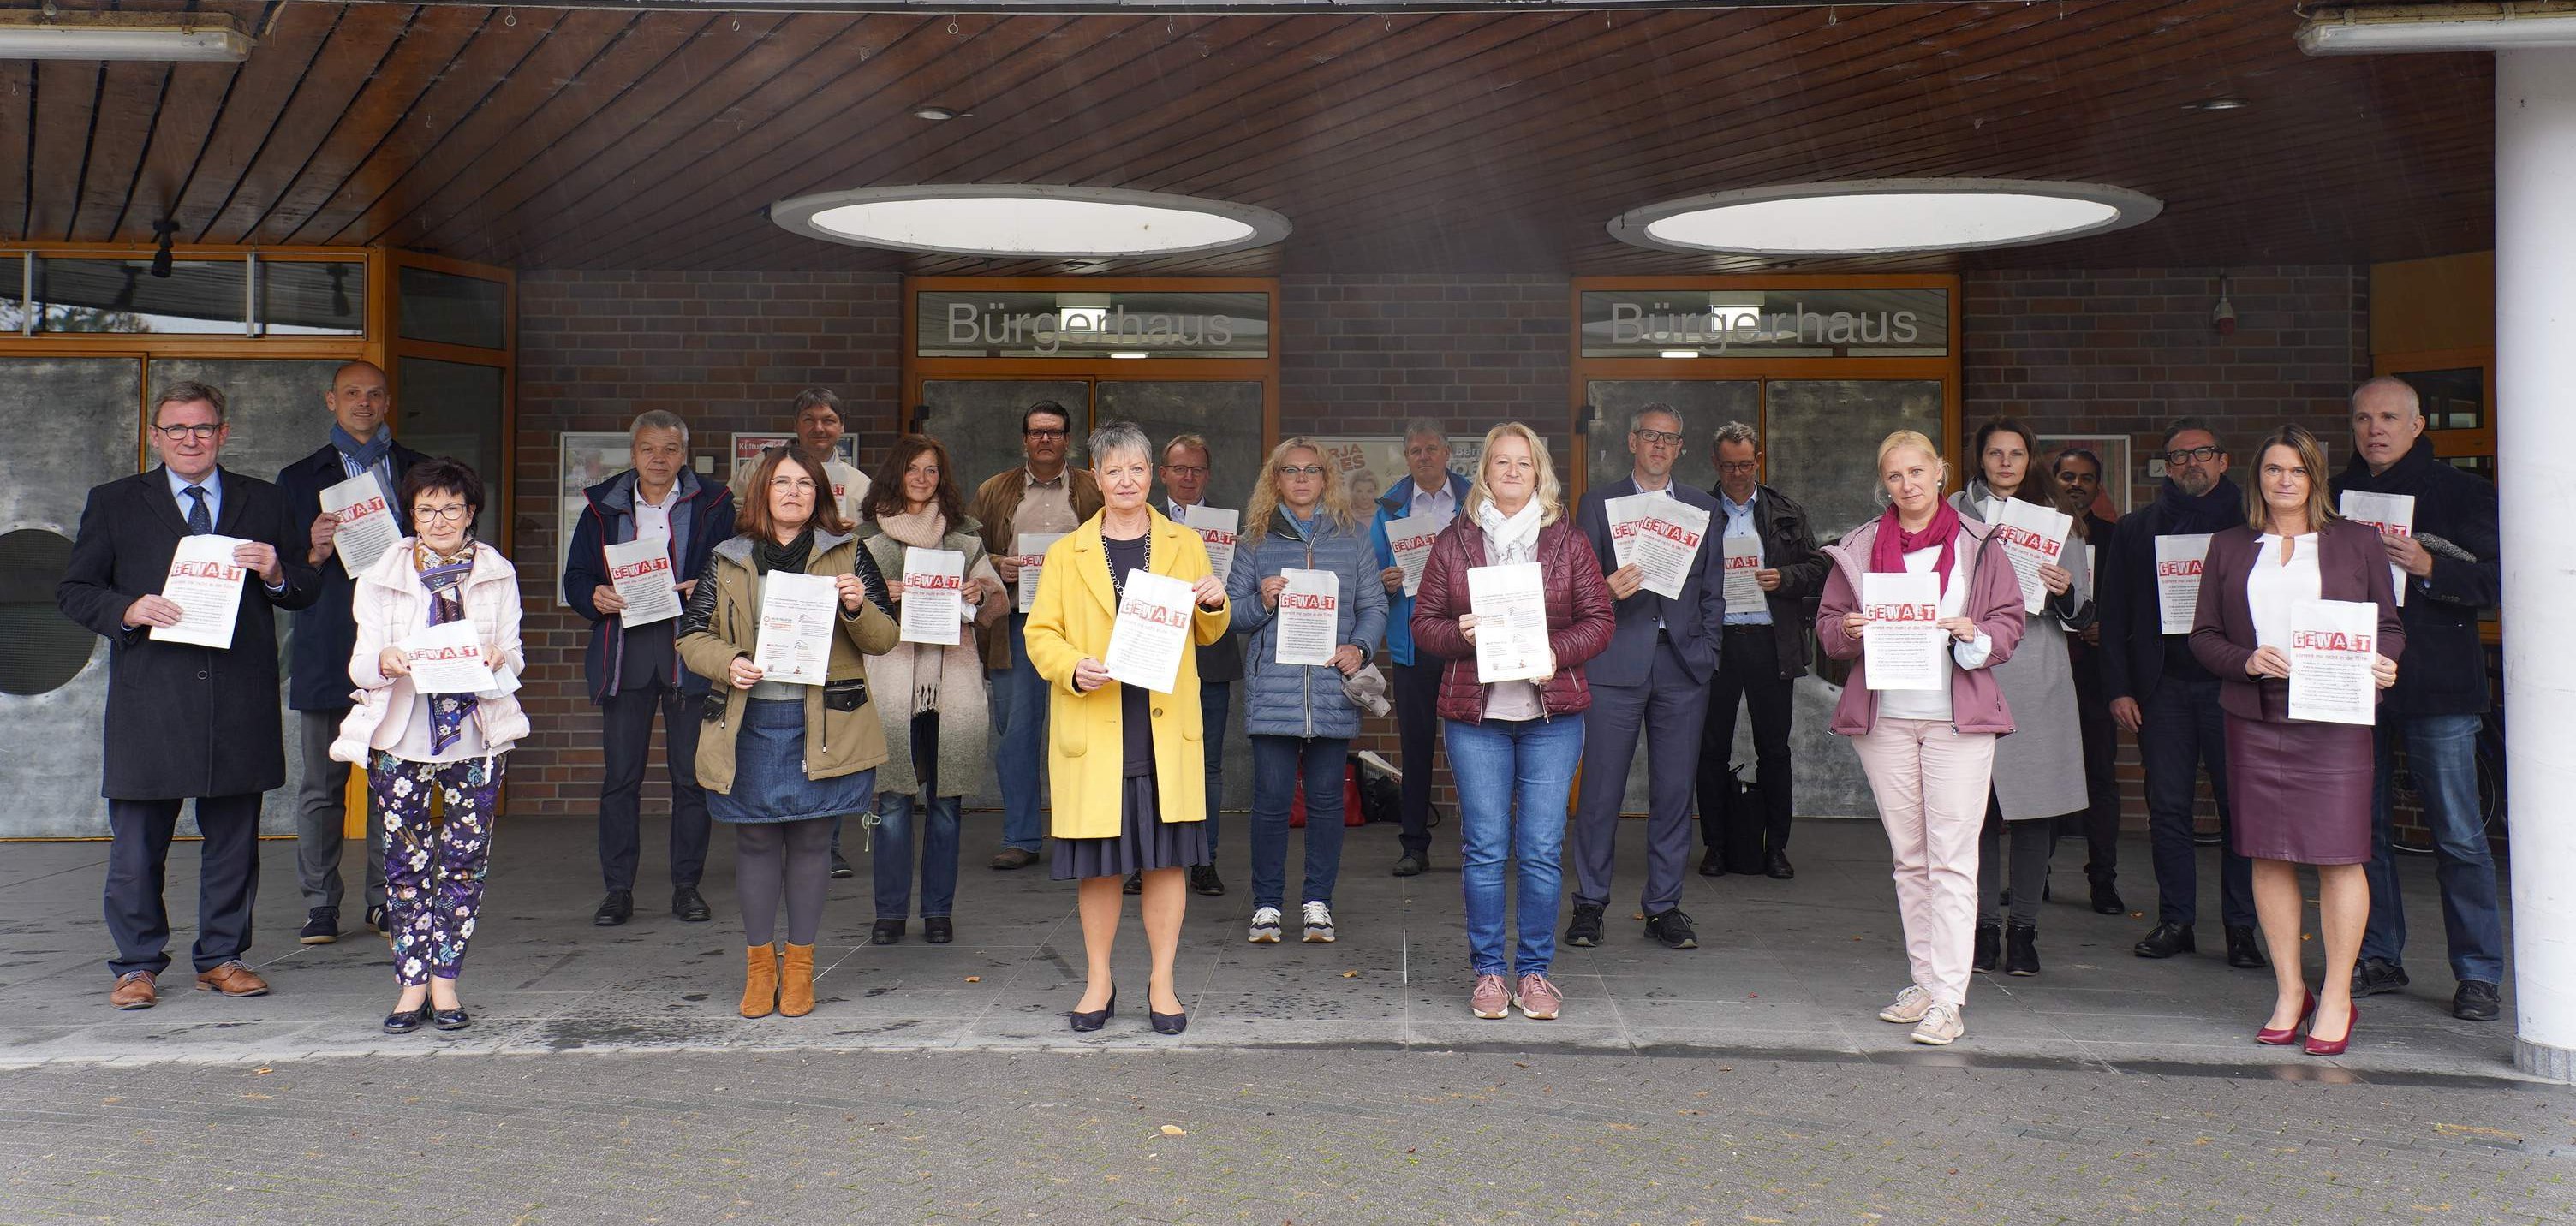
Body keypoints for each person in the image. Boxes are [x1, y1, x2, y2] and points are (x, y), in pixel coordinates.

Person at [56, 381, 319, 1009]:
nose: (190, 440)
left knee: (234, 841)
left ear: (223, 433)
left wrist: (279, 573)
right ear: (156, 436)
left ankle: (223, 957)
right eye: (176, 429)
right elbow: (74, 590)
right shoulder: (116, 503)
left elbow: (306, 589)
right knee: (138, 845)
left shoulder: (264, 499)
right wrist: (128, 607)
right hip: (152, 700)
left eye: (202, 429)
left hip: (237, 697)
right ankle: (137, 966)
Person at [2189, 424, 2403, 1056]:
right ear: (2258, 477)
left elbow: (2388, 626)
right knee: (2267, 852)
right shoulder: (2228, 546)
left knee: (2340, 854)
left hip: (2333, 715)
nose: (2284, 481)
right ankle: (2290, 991)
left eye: (2298, 471)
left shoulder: (2356, 543)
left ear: (2317, 478)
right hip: (2255, 716)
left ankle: (2337, 995)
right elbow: (2203, 635)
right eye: (2273, 469)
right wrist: (2246, 661)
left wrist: (2384, 663)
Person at [1816, 429, 2025, 1046]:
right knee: (1910, 859)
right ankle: (1926, 982)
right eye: (1895, 476)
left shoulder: (1978, 543)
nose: (1907, 485)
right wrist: (1850, 630)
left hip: (1956, 717)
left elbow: (2009, 624)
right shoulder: (1858, 546)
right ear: (1886, 484)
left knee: (1953, 859)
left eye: (1917, 471)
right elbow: (1827, 632)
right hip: (1886, 718)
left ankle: (1950, 998)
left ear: (1941, 472)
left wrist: (1971, 633)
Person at [1021, 420, 1231, 1036]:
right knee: (1101, 863)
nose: (1127, 481)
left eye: (1137, 469)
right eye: (1114, 470)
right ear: (1095, 476)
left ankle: (1162, 981)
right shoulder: (1067, 552)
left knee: (1167, 861)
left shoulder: (1184, 543)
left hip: (1161, 724)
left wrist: (1216, 602)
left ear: (1151, 476)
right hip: (1098, 722)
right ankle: (1098, 979)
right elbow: (1040, 634)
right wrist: (1070, 667)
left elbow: (1208, 630)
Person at [678, 446, 899, 1020]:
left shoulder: (850, 553)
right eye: (782, 483)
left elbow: (883, 639)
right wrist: (728, 662)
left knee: (809, 842)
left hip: (823, 722)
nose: (794, 492)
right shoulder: (728, 557)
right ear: (762, 493)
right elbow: (691, 636)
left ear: (820, 494)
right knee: (753, 839)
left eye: (806, 483)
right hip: (750, 721)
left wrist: (857, 605)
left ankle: (799, 966)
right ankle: (759, 967)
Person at [1412, 423, 1615, 1021]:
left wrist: (1558, 653)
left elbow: (1599, 618)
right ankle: (1488, 973)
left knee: (1541, 850)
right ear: (1485, 473)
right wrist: (1459, 632)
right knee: (1483, 849)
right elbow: (1424, 624)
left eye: (1522, 463)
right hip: (1478, 717)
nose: (1511, 471)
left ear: (1539, 473)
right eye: (1500, 462)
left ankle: (1533, 973)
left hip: (1553, 717)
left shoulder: (1567, 541)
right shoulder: (1455, 540)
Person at [332, 459, 528, 1034]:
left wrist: (499, 657)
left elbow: (515, 653)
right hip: (403, 733)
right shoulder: (381, 573)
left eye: (451, 508)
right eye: (426, 508)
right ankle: (410, 983)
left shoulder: (497, 571)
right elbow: (362, 660)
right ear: (410, 515)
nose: (439, 518)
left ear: (471, 514)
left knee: (464, 865)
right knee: (405, 865)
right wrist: (385, 662)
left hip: (474, 735)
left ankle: (446, 983)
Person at [2334, 377, 2507, 1021]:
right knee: (2364, 830)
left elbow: (2493, 581)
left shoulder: (2463, 492)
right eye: (2362, 418)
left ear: (2417, 424)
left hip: (2437, 684)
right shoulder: (2334, 500)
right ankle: (2379, 956)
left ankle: (2478, 973)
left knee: (2459, 833)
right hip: (2353, 683)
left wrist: (2430, 567)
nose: (2373, 428)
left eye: (2387, 417)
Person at [2097, 419, 2263, 969]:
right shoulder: (2137, 528)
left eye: (2202, 454)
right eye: (2177, 457)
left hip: (2234, 683)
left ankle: (2242, 927)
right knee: (2167, 808)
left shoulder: (2254, 523)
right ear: (2165, 468)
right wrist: (2119, 688)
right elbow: (2115, 614)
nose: (2190, 464)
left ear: (2223, 460)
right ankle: (2177, 921)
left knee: (2241, 809)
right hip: (2162, 687)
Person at [274, 360, 426, 945]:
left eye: (375, 393)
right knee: (322, 785)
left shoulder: (418, 471)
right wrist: (311, 553)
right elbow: (281, 578)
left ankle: (385, 902)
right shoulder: (296, 479)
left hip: (401, 648)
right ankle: (320, 904)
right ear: (330, 401)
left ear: (388, 401)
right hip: (327, 646)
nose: (364, 403)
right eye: (352, 394)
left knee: (393, 781)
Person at [563, 411, 734, 927]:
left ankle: (687, 886)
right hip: (625, 652)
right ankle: (618, 889)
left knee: (690, 778)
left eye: (669, 449)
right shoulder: (601, 505)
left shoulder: (714, 501)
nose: (658, 459)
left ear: (684, 453)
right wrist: (594, 595)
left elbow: (734, 566)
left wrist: (702, 586)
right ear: (633, 454)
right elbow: (576, 576)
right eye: (647, 449)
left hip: (690, 651)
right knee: (621, 778)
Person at [1566, 406, 1724, 950]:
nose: (1659, 446)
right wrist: (1604, 589)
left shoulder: (1704, 507)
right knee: (1601, 791)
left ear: (1681, 447)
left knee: (1675, 792)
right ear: (1633, 441)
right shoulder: (1598, 503)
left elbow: (1712, 589)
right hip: (1613, 662)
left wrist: (1708, 653)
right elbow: (1575, 588)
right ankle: (1589, 903)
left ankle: (1664, 905)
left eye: (1670, 439)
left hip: (1682, 665)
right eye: (1650, 436)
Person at [1226, 438, 1387, 945]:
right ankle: (1267, 905)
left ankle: (1319, 903)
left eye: (1311, 471)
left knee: (1325, 802)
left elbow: (1374, 605)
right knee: (1272, 802)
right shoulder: (1253, 540)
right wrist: (1261, 598)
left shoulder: (1352, 538)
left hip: (1331, 689)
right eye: (1290, 471)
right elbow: (1230, 614)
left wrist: (1359, 647)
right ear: (1275, 480)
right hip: (1273, 690)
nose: (1301, 479)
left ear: (1325, 479)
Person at [1950, 420, 2091, 979]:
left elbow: (2085, 615)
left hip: (2037, 672)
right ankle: (1981, 931)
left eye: (2016, 454)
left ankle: (2024, 932)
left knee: (2034, 813)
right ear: (1980, 458)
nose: (2005, 463)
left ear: (2029, 459)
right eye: (1995, 453)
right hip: (1973, 668)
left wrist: (2063, 592)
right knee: (1974, 811)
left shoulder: (2059, 520)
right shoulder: (1953, 512)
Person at [853, 435, 1006, 945]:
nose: (923, 479)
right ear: (895, 474)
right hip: (893, 684)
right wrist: (879, 596)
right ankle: (890, 914)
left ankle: (938, 912)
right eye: (914, 469)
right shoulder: (865, 537)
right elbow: (844, 612)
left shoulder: (964, 534)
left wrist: (979, 590)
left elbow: (997, 602)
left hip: (953, 684)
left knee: (946, 803)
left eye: (933, 470)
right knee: (893, 802)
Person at [969, 400, 1103, 871]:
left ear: (1069, 439)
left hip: (1082, 626)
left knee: (1085, 734)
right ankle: (1021, 837)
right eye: (1036, 432)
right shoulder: (993, 490)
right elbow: (969, 551)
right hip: (1017, 628)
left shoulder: (1094, 487)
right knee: (1018, 737)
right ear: (1024, 439)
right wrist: (994, 565)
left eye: (1054, 432)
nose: (1045, 439)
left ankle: (1084, 834)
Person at [1692, 421, 1826, 879]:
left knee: (1775, 750)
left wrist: (1782, 578)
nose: (1736, 474)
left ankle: (1776, 848)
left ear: (1758, 461)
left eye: (1744, 465)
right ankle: (1715, 846)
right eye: (1728, 465)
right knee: (1710, 749)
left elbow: (1818, 567)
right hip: (1719, 643)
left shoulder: (1786, 510)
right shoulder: (1698, 512)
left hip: (1771, 642)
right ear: (1716, 463)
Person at [1367, 420, 1473, 878]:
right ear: (1406, 458)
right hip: (1413, 640)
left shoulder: (1476, 499)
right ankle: (1413, 845)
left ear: (1448, 453)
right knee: (1415, 745)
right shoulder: (1390, 506)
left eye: (1432, 449)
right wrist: (1386, 582)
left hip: (1468, 640)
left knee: (1478, 744)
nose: (1425, 456)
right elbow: (1369, 575)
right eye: (1415, 451)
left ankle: (1481, 846)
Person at [1139, 433, 1239, 898]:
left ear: (1208, 475)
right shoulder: (1139, 520)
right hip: (1152, 651)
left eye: (1197, 469)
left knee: (1207, 766)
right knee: (1148, 762)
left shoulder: (1230, 525)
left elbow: (1240, 586)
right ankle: (1145, 860)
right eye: (1179, 469)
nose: (1188, 477)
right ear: (1163, 474)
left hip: (1210, 655)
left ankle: (1204, 860)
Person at [2049, 447, 2126, 916]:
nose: (2076, 485)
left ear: (2099, 487)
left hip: (2095, 674)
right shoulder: (2034, 536)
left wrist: (2109, 627)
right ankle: (2034, 875)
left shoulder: (2116, 539)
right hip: (2043, 669)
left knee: (2100, 776)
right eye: (2067, 477)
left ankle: (2104, 880)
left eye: (2087, 478)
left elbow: (2133, 603)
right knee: (2041, 775)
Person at [732, 388, 870, 530]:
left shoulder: (860, 484)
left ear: (841, 426)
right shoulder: (761, 466)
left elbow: (870, 534)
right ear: (795, 424)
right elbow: (730, 513)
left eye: (828, 420)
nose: (818, 428)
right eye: (809, 420)